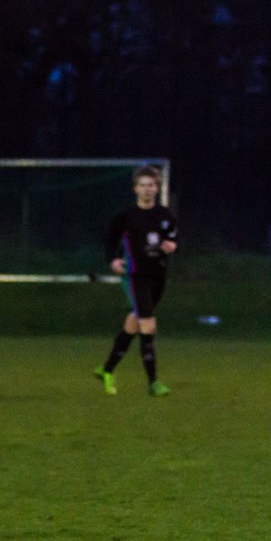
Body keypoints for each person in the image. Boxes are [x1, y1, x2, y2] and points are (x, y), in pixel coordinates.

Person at [94, 165, 178, 396]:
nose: (147, 189)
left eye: (151, 185)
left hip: (158, 276)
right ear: (135, 189)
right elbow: (110, 240)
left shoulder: (165, 215)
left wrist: (172, 246)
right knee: (148, 325)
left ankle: (107, 369)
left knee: (133, 323)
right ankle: (153, 383)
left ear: (157, 187)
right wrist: (113, 260)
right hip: (135, 276)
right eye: (142, 185)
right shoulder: (126, 216)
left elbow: (173, 239)